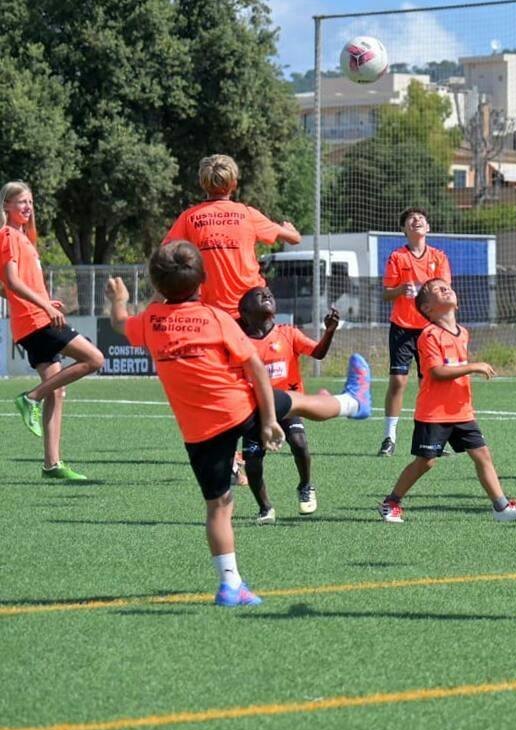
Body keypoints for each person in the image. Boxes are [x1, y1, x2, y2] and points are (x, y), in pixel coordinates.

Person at [106, 242, 369, 605]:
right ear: (201, 282)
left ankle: (230, 584)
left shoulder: (151, 320)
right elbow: (255, 367)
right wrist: (265, 420)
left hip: (198, 429)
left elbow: (120, 323)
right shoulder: (215, 318)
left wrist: (118, 297)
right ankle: (353, 402)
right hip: (238, 405)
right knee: (299, 402)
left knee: (219, 506)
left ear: (156, 283)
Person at [378, 278, 516, 524]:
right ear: (428, 309)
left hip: (462, 411)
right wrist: (472, 367)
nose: (446, 289)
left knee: (482, 454)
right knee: (426, 462)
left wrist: (468, 370)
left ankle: (501, 507)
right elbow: (436, 372)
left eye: (447, 287)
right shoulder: (429, 335)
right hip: (434, 413)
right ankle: (391, 502)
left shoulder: (463, 333)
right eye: (437, 290)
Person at [237, 285, 365, 520]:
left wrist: (329, 331)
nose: (267, 295)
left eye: (269, 294)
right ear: (245, 312)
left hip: (290, 405)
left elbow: (317, 352)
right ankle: (265, 508)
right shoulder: (240, 344)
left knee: (299, 442)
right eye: (258, 295)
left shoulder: (288, 333)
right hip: (256, 411)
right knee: (253, 464)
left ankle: (305, 485)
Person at [4, 181, 103, 480]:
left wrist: (46, 299)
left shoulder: (23, 238)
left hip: (33, 317)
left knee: (57, 390)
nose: (27, 207)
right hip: (36, 321)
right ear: (6, 206)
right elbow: (11, 282)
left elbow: (6, 288)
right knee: (95, 359)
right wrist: (45, 307)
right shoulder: (8, 235)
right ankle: (29, 398)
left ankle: (52, 464)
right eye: (21, 201)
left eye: (30, 201)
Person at [163, 154, 302, 319]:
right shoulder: (247, 214)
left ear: (202, 183)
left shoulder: (189, 218)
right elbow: (294, 239)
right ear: (234, 184)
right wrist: (290, 230)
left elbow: (165, 253)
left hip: (211, 312)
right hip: (251, 308)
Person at [378, 208, 450, 458]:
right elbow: (386, 292)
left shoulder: (439, 257)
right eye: (411, 219)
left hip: (431, 329)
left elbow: (445, 289)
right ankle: (389, 437)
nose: (416, 220)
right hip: (402, 328)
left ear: (427, 227)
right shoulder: (397, 257)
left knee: (430, 384)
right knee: (398, 381)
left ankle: (433, 439)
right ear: (404, 229)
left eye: (421, 218)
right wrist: (400, 290)